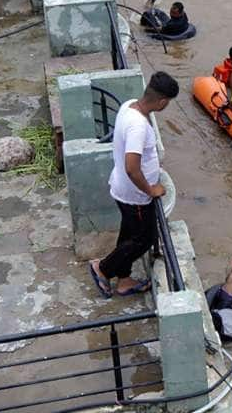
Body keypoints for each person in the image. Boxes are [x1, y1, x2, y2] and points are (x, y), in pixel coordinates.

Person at [90, 71, 180, 297]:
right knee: (144, 239)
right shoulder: (138, 127)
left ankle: (125, 280)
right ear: (162, 101)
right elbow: (132, 166)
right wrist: (151, 189)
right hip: (135, 196)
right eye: (167, 103)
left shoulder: (130, 105)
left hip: (122, 187)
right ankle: (103, 268)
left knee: (129, 234)